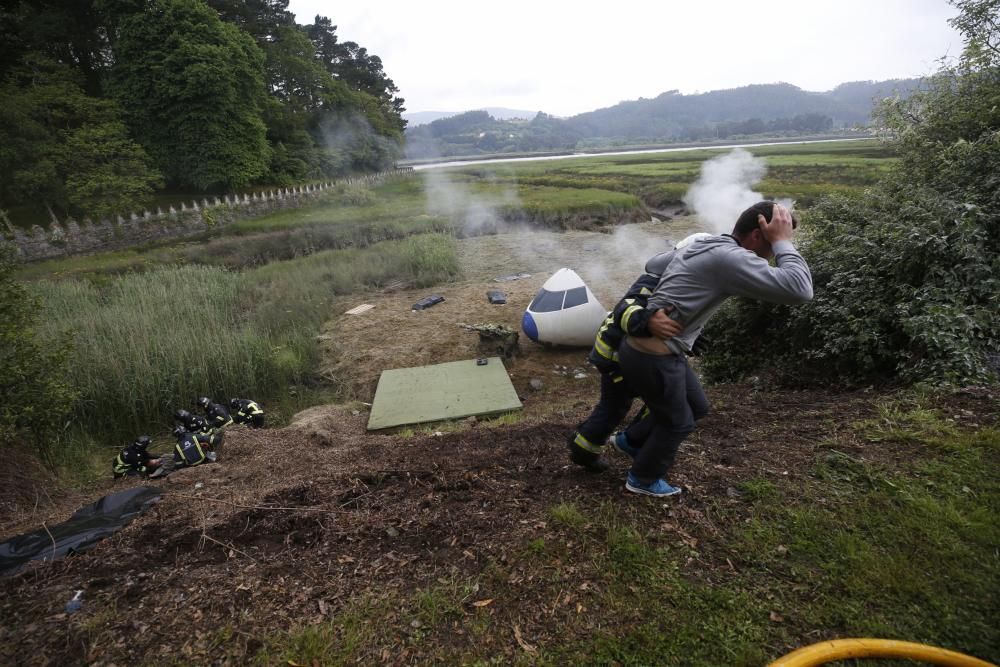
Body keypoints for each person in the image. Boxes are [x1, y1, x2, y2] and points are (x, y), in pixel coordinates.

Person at [617, 202, 813, 497]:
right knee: (678, 423)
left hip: (658, 351)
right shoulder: (729, 258)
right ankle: (642, 479)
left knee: (697, 407)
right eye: (773, 243)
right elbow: (800, 289)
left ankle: (630, 442)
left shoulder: (711, 244)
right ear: (758, 236)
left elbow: (655, 265)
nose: (774, 254)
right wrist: (784, 242)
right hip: (652, 355)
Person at [567, 250, 683, 472]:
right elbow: (627, 311)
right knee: (648, 401)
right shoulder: (652, 283)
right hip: (616, 358)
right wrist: (647, 321)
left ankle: (585, 448)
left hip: (613, 355)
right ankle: (630, 441)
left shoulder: (664, 281)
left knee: (614, 406)